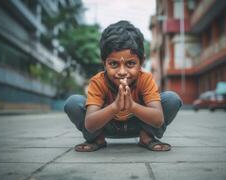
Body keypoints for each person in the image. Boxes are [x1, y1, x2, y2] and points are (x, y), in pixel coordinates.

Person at [64, 20, 182, 152]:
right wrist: (115, 106)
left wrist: (132, 106)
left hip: (139, 125)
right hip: (106, 126)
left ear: (141, 62)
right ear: (104, 63)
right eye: (113, 64)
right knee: (73, 102)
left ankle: (146, 136)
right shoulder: (98, 82)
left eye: (130, 63)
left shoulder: (145, 79)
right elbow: (90, 125)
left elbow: (158, 120)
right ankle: (98, 139)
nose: (122, 72)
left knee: (172, 99)